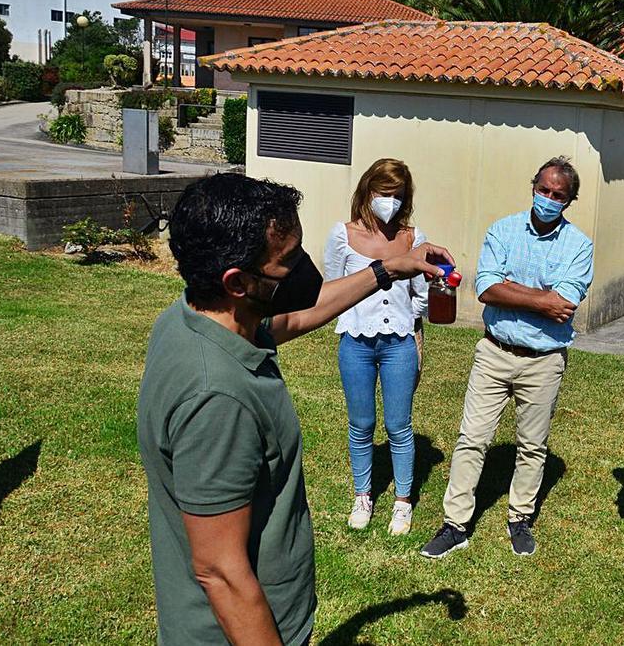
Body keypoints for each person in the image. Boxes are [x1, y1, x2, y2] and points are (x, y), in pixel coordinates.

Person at [136, 173, 451, 645]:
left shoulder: (197, 317)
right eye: (288, 262)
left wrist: (387, 269)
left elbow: (300, 314)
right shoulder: (216, 398)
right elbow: (221, 573)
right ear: (238, 282)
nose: (305, 268)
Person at [420, 156, 593, 559]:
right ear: (533, 186)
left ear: (570, 201)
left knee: (532, 446)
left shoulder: (579, 245)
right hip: (494, 352)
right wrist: (541, 298)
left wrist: (512, 289)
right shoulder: (503, 230)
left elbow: (564, 304)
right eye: (544, 190)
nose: (549, 199)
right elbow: (485, 289)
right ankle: (455, 524)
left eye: (558, 195)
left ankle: (520, 518)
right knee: (471, 439)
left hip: (544, 359)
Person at [324, 159, 429, 534]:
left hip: (399, 342)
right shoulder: (343, 235)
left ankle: (403, 501)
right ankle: (363, 495)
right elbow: (332, 289)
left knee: (399, 425)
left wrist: (410, 320)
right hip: (356, 341)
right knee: (361, 423)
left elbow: (421, 294)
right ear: (368, 192)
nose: (391, 202)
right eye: (385, 194)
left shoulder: (413, 238)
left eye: (398, 196)